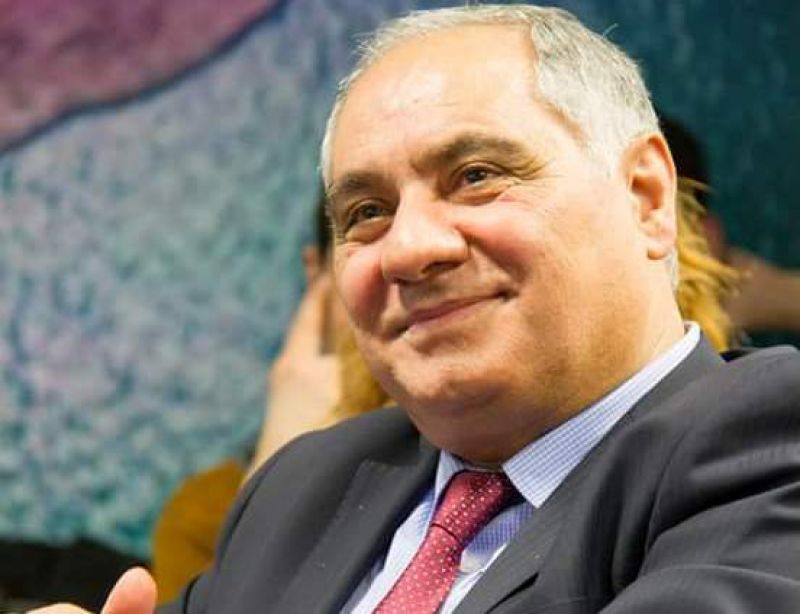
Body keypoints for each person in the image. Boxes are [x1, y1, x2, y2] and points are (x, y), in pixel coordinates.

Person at [33, 5, 800, 613]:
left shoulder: (770, 442)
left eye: (475, 175)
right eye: (366, 212)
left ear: (646, 197)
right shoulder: (302, 485)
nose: (408, 249)